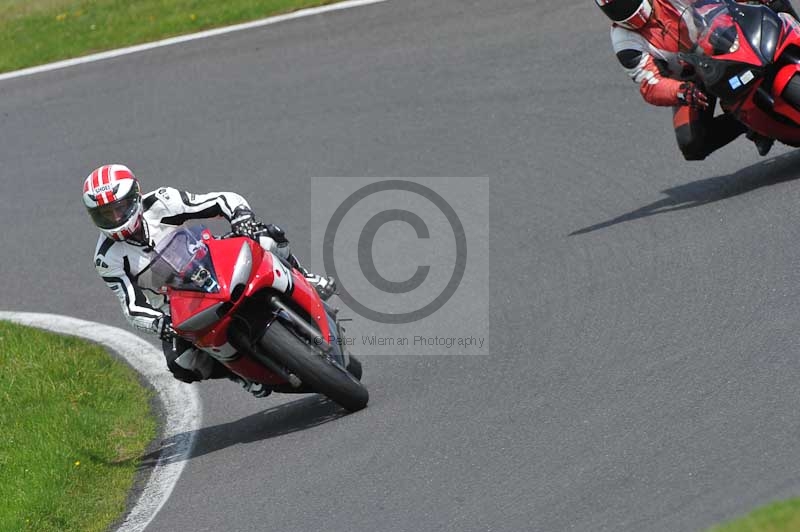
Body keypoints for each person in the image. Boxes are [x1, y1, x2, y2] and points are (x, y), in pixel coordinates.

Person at [82, 163, 336, 397]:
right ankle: (238, 375)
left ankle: (304, 276)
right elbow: (131, 305)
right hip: (176, 307)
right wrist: (160, 323)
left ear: (136, 197)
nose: (116, 218)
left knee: (267, 237)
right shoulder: (107, 257)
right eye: (106, 214)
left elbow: (220, 200)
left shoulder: (162, 201)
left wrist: (241, 217)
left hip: (211, 261)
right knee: (181, 364)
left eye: (120, 208)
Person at [595, 0, 794, 160]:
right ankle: (751, 123)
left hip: (722, 39)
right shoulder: (624, 42)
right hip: (694, 81)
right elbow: (650, 83)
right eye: (616, 8)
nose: (625, 11)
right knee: (691, 143)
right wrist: (680, 91)